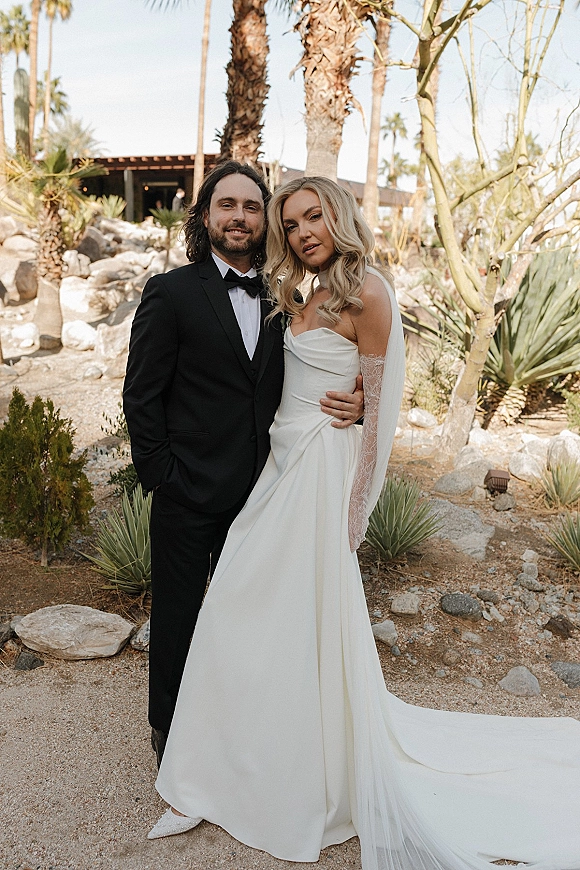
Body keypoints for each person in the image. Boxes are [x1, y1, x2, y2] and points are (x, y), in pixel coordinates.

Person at [148, 176, 580, 870]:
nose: (302, 232)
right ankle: (216, 769)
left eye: (312, 217)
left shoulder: (367, 291)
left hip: (320, 474)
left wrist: (354, 515)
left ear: (339, 216)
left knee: (289, 620)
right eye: (289, 224)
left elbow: (376, 417)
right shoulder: (299, 291)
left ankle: (292, 779)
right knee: (239, 608)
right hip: (278, 465)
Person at [123, 162, 364, 770]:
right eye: (226, 205)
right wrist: (161, 476)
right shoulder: (171, 292)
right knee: (178, 616)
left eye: (252, 208)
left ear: (264, 223)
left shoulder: (287, 301)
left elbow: (321, 371)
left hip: (265, 492)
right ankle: (171, 737)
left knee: (247, 620)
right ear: (206, 217)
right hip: (186, 491)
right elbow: (141, 395)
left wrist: (360, 400)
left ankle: (237, 731)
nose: (240, 217)